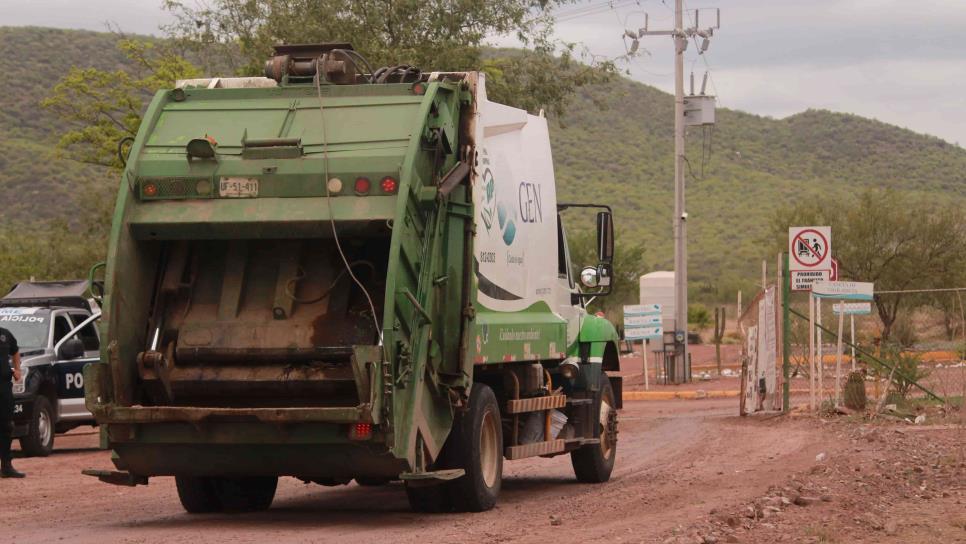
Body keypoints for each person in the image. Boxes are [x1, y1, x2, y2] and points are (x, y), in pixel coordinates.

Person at [1, 326, 25, 478]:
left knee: (6, 426)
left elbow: (15, 351)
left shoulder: (4, 334)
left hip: (3, 386)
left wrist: (17, 370)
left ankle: (6, 466)